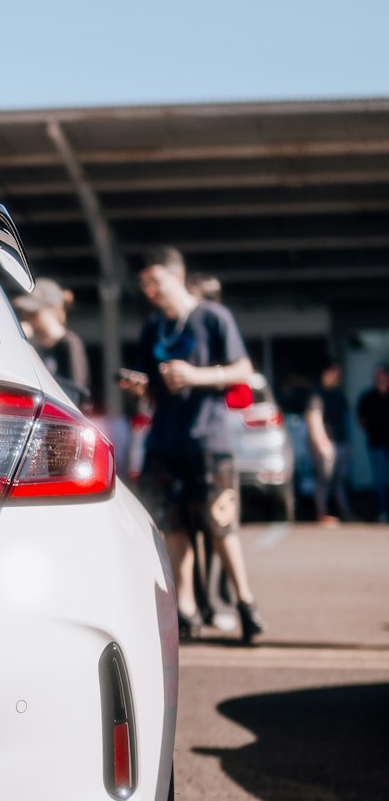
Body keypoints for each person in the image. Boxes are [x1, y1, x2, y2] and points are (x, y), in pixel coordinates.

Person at [121, 245, 265, 643]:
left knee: (221, 525)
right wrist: (141, 387)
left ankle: (245, 604)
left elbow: (244, 370)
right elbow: (154, 389)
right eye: (144, 284)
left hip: (209, 440)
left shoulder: (214, 318)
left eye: (155, 281)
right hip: (165, 441)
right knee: (174, 528)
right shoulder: (153, 328)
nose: (150, 290)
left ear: (176, 275)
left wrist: (196, 376)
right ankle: (183, 610)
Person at [11, 278, 90, 400]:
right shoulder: (30, 343)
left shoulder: (69, 343)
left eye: (33, 313)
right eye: (24, 312)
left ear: (52, 308)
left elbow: (76, 391)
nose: (26, 317)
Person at [306, 361, 353, 524]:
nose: (337, 377)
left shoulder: (339, 395)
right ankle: (322, 512)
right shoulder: (318, 394)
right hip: (327, 443)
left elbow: (346, 420)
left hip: (341, 443)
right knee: (324, 479)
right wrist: (321, 442)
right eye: (334, 373)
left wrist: (348, 443)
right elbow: (313, 419)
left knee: (339, 481)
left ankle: (345, 513)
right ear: (326, 373)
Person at [356, 363, 389, 522]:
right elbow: (361, 420)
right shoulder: (368, 397)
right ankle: (383, 511)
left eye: (382, 374)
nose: (379, 378)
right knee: (380, 480)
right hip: (377, 443)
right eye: (377, 375)